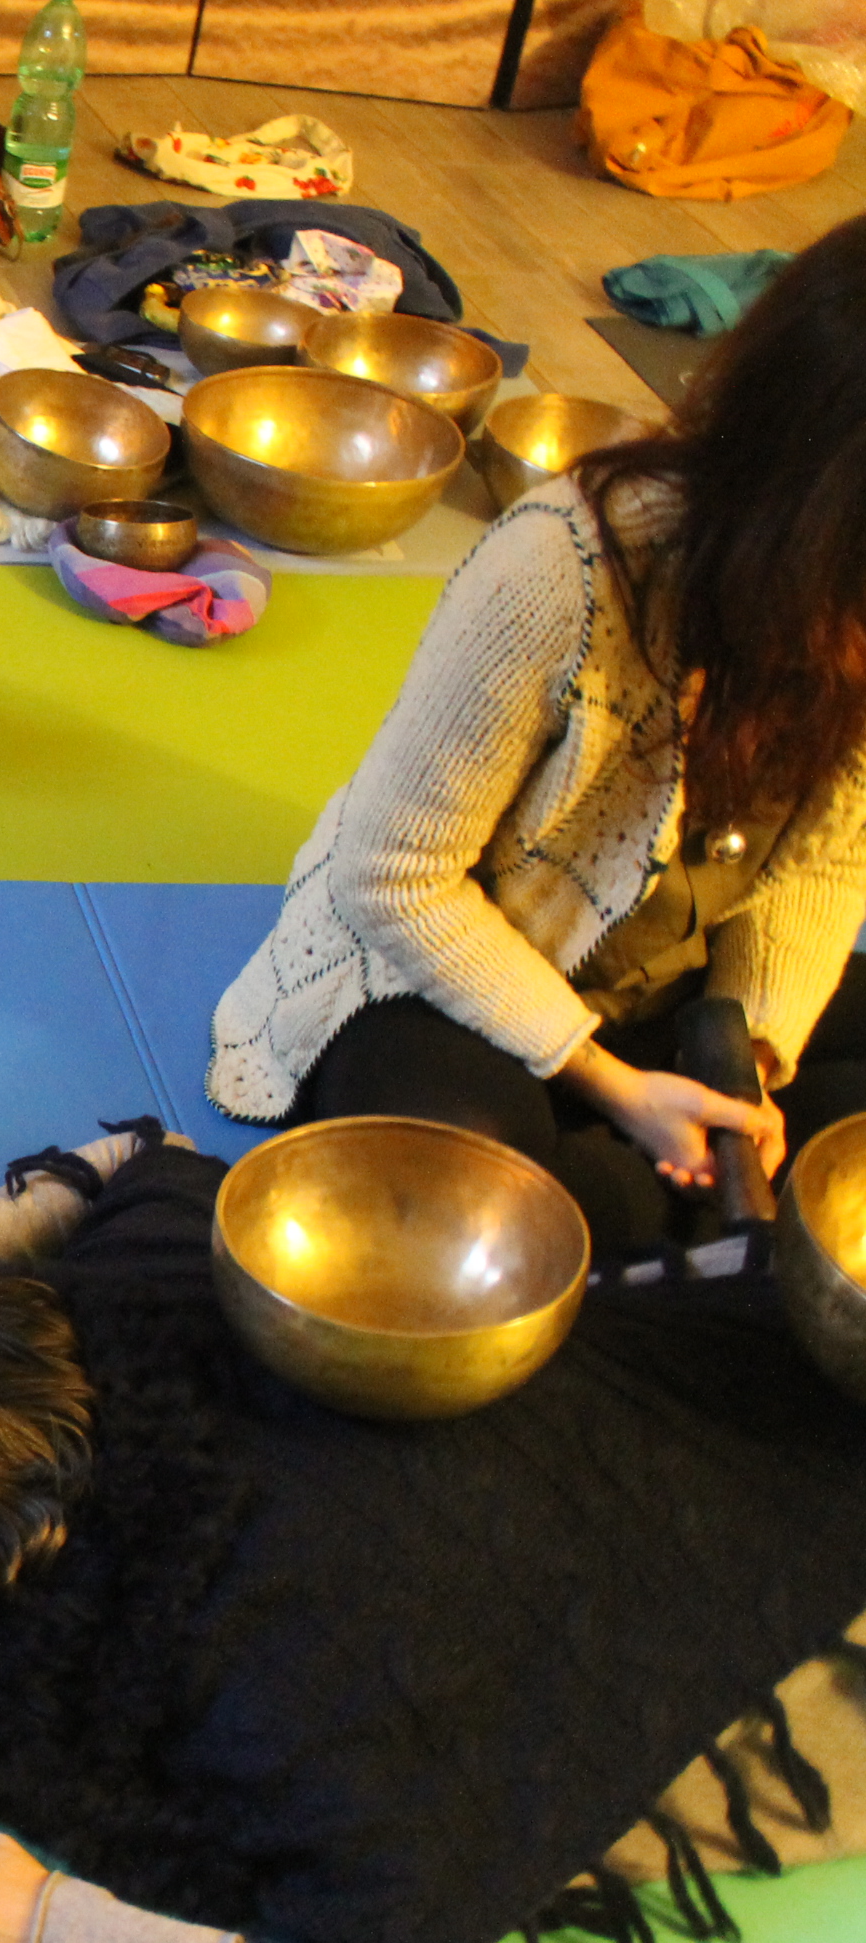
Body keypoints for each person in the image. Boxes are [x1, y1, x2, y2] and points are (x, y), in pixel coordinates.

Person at [0, 1127, 866, 1943]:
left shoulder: (274, 1667)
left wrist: (39, 1931)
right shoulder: (148, 1280)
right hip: (756, 1379)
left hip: (805, 1624)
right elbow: (141, 1153)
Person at [206, 214, 866, 1258]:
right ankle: (651, 1202)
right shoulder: (563, 564)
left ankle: (663, 1200)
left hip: (674, 998)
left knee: (641, 1199)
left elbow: (824, 867)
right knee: (469, 1209)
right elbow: (393, 877)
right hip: (444, 973)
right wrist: (608, 1081)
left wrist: (747, 1073)